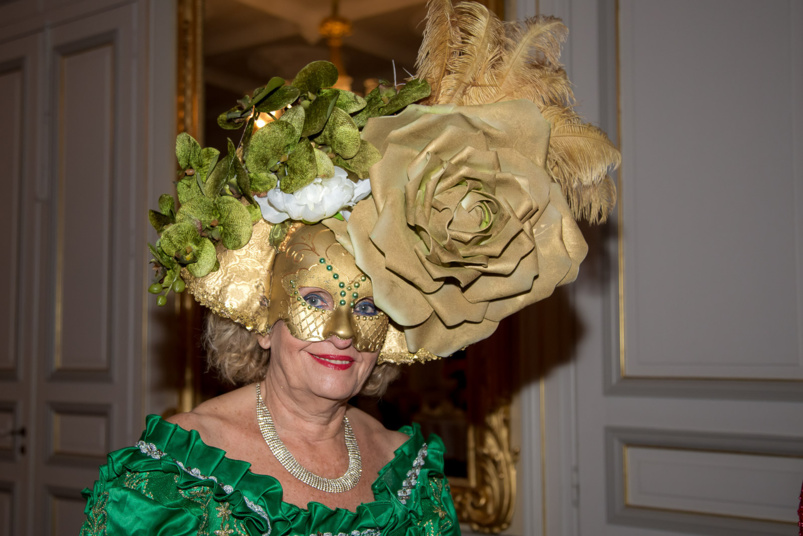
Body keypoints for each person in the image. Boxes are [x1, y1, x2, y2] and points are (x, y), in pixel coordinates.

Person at [81, 1, 619, 534]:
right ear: (264, 318)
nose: (342, 333)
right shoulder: (172, 478)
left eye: (365, 307)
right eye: (315, 300)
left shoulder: (409, 476)